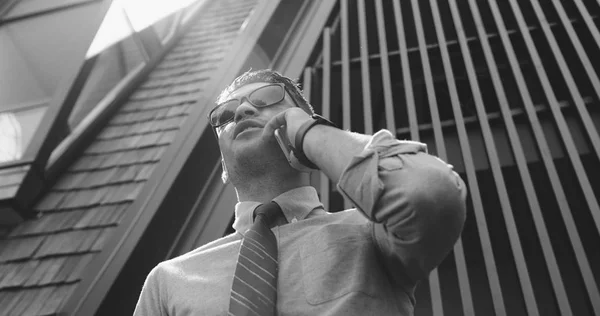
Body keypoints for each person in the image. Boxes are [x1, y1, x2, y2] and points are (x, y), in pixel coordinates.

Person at [133, 69, 467, 315]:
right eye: (226, 114)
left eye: (265, 100)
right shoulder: (168, 281)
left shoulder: (372, 233)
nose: (243, 112)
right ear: (222, 165)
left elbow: (429, 192)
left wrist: (311, 135)